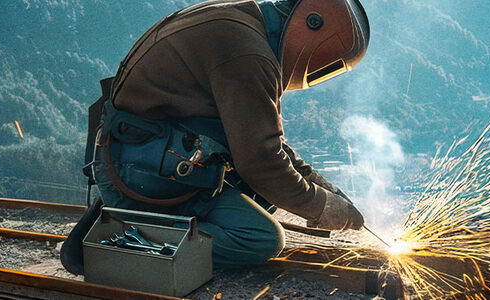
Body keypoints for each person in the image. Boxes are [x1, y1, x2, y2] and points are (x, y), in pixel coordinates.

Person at [61, 0, 371, 274]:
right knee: (260, 238)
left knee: (262, 195)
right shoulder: (249, 54)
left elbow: (262, 135)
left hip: (142, 153)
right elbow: (261, 161)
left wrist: (322, 186)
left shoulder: (246, 24)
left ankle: (138, 212)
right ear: (313, 25)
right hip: (138, 167)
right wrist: (321, 206)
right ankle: (126, 235)